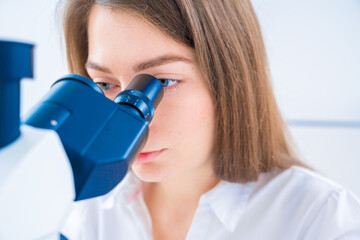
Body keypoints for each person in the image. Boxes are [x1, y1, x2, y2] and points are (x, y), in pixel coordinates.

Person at [60, 0, 360, 239]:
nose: (126, 119)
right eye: (104, 84)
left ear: (231, 80)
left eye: (162, 82)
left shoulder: (321, 219)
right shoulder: (91, 210)